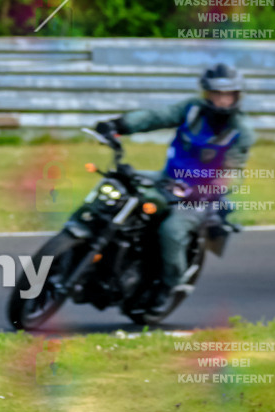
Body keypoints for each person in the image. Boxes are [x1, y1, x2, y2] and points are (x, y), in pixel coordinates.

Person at [94, 63, 254, 311]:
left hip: (200, 197)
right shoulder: (191, 110)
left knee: (171, 231)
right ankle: (83, 245)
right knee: (114, 186)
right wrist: (119, 125)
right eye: (217, 93)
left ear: (237, 96)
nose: (222, 99)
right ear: (207, 93)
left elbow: (231, 172)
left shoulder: (241, 131)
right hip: (167, 179)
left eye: (228, 94)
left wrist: (202, 190)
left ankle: (168, 286)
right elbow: (156, 117)